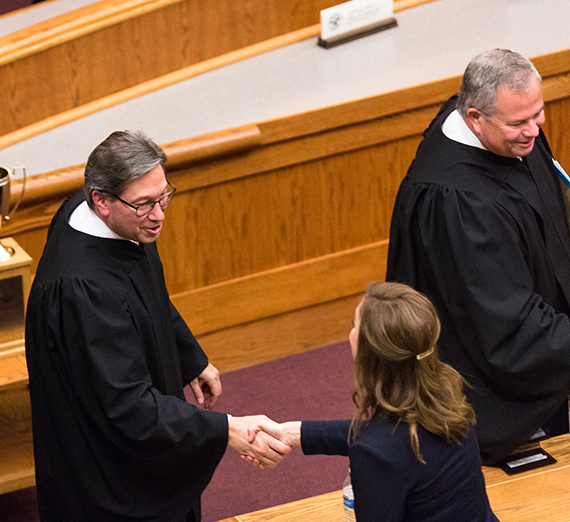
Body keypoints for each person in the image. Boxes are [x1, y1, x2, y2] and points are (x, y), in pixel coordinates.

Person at [25, 130, 289, 522]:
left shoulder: (117, 218)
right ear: (100, 200)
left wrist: (188, 358)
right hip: (106, 467)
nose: (160, 214)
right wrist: (226, 430)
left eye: (164, 196)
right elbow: (127, 406)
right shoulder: (81, 292)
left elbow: (149, 293)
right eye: (146, 203)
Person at [385, 48, 570, 465]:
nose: (533, 132)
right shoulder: (458, 203)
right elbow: (508, 326)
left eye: (538, 114)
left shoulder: (508, 127)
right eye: (518, 123)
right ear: (473, 118)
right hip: (492, 382)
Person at [248, 282, 498, 522]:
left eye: (354, 325)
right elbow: (387, 438)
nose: (350, 332)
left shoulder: (375, 454)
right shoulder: (447, 398)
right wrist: (293, 433)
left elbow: (380, 447)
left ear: (370, 353)